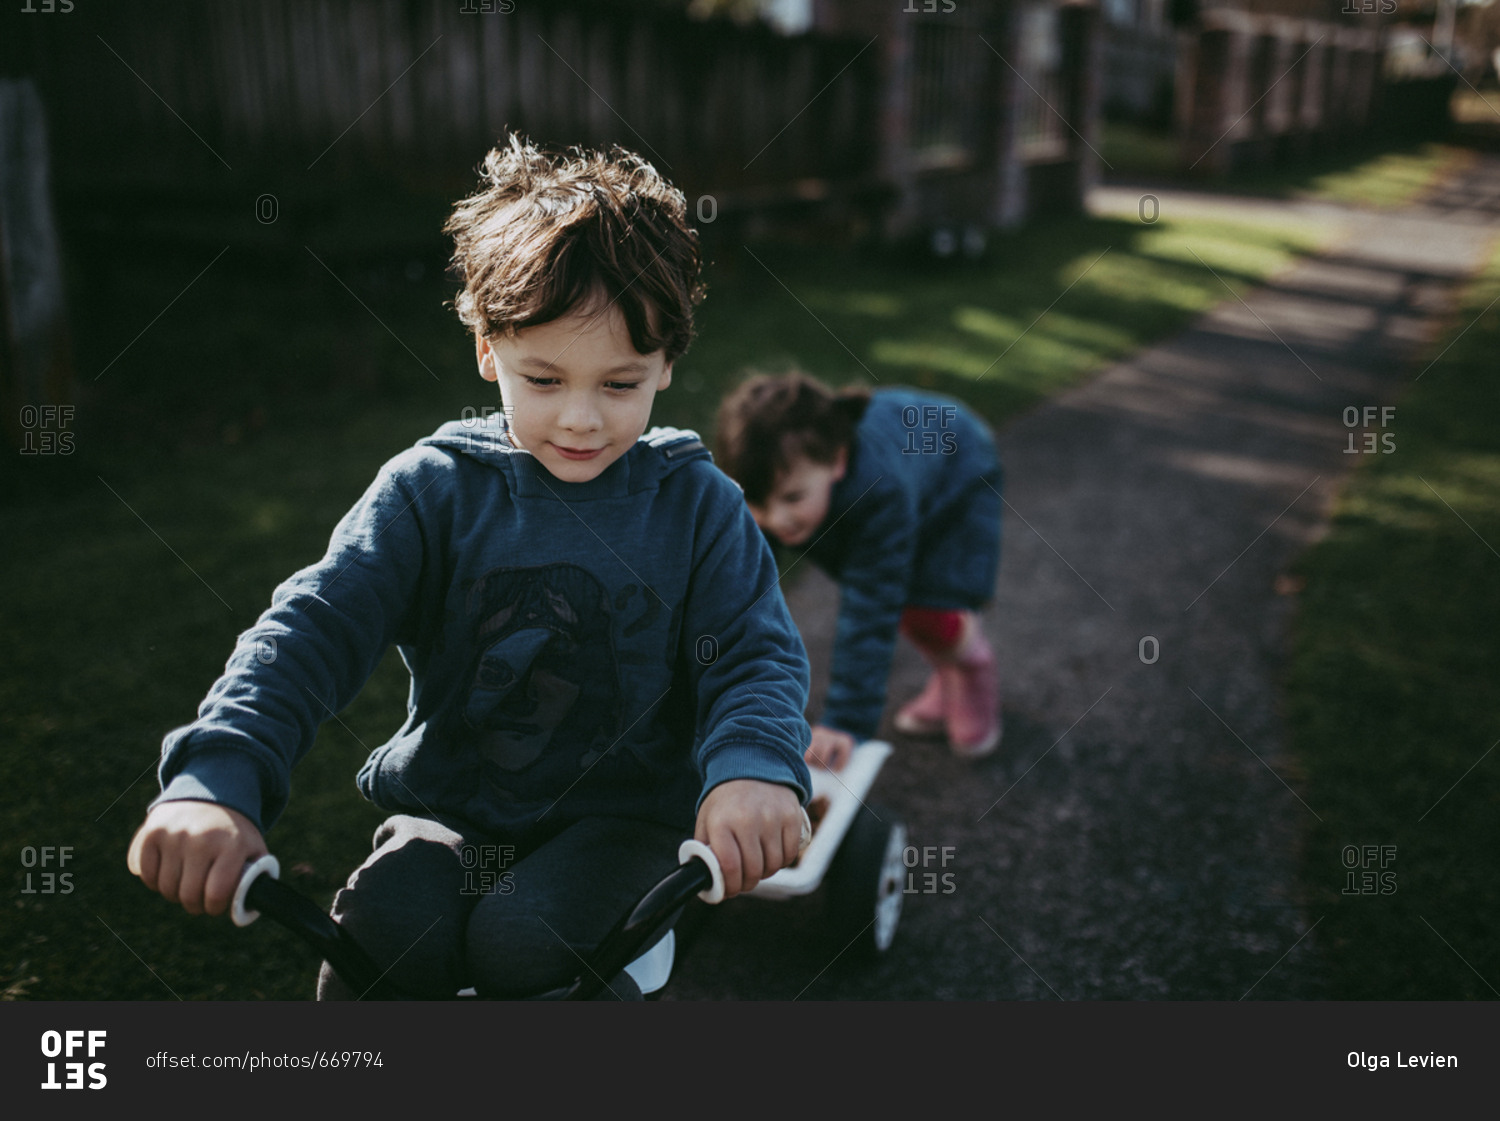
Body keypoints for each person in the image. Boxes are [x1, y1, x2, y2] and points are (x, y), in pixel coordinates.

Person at [125, 134, 813, 1000]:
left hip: (625, 819)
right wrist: (216, 776)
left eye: (619, 383)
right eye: (543, 375)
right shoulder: (432, 491)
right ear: (487, 349)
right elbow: (312, 629)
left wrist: (752, 763)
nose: (580, 419)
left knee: (526, 943)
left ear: (667, 363)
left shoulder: (698, 504)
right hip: (452, 814)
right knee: (379, 946)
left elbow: (754, 655)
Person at [715, 371, 1003, 769]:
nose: (775, 519)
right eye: (756, 503)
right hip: (913, 461)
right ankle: (945, 674)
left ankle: (970, 667)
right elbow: (743, 594)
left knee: (930, 605)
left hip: (958, 467)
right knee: (910, 602)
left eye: (792, 498)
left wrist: (845, 722)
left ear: (837, 460)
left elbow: (870, 609)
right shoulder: (782, 484)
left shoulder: (879, 494)